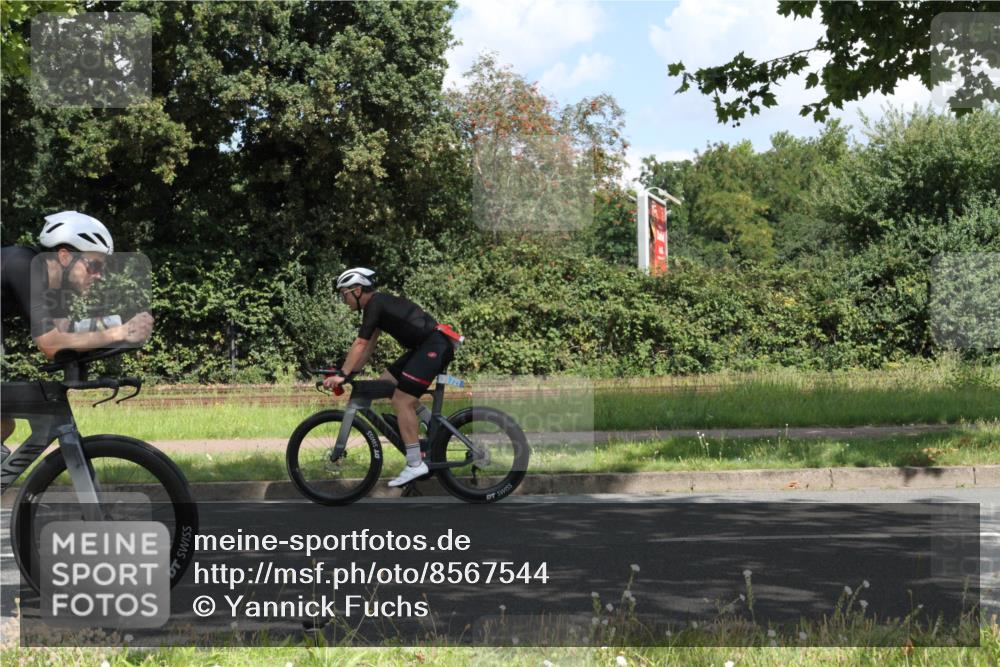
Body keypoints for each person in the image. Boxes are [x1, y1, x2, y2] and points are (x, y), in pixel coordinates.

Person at [1, 211, 154, 453]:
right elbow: (51, 345)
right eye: (93, 266)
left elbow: (66, 333)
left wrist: (121, 325)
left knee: (3, 425)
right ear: (64, 256)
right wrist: (120, 332)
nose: (99, 275)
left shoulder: (53, 285)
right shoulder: (25, 265)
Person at [325, 267, 460, 487]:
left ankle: (415, 463)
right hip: (424, 346)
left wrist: (342, 375)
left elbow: (359, 344)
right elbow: (367, 348)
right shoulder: (377, 306)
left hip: (433, 345)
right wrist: (351, 374)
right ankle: (431, 426)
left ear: (357, 290)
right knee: (387, 382)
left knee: (401, 399)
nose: (344, 300)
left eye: (344, 294)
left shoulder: (375, 304)